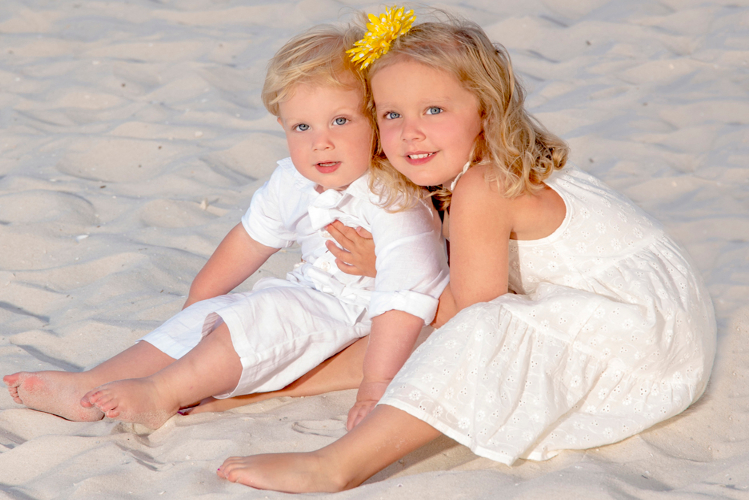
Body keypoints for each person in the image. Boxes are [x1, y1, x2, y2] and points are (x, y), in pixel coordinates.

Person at [216, 7, 716, 492]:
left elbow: (467, 329)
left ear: (485, 110)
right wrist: (266, 391)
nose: (411, 131)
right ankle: (268, 390)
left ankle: (336, 466)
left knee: (461, 319)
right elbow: (421, 319)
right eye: (392, 114)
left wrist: (398, 277)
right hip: (652, 326)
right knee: (413, 310)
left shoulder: (482, 187)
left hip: (645, 342)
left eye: (434, 110)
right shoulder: (458, 182)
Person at [3, 23, 449, 430]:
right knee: (211, 318)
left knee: (259, 322)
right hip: (310, 293)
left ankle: (161, 394)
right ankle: (91, 384)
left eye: (340, 120)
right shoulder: (294, 180)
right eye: (301, 126)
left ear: (376, 118)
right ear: (281, 126)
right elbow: (248, 242)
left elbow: (404, 297)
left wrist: (376, 386)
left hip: (358, 314)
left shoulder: (393, 198)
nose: (321, 141)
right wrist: (196, 309)